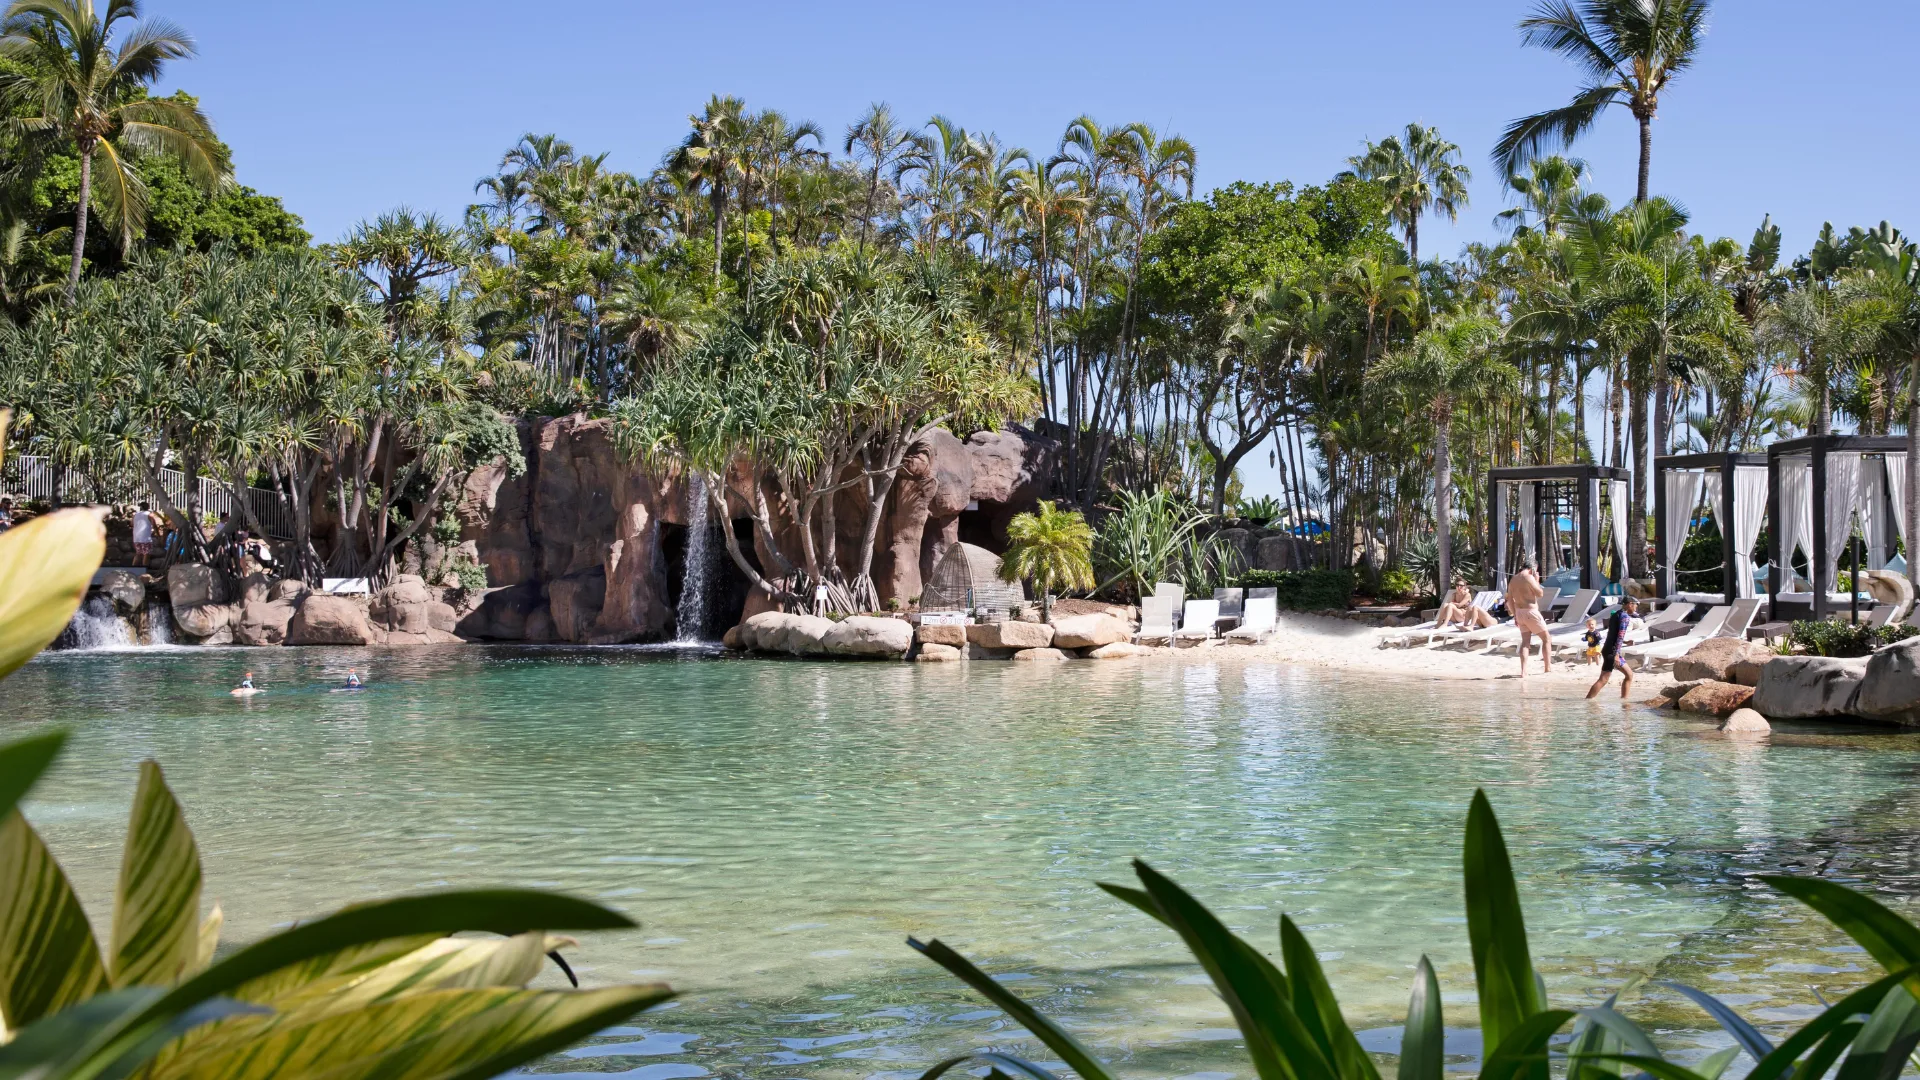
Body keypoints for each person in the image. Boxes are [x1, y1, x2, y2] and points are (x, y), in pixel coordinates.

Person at [1505, 560, 1552, 678]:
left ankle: (1523, 671)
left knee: (1525, 642)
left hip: (1519, 612)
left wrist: (1515, 614)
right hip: (1531, 612)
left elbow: (1509, 600)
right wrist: (1537, 580)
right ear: (1533, 568)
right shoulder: (1529, 577)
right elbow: (1540, 593)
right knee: (1546, 639)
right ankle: (1547, 668)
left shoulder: (1513, 579)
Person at [1587, 597, 1638, 699]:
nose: (1636, 607)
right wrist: (1617, 655)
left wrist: (1625, 642)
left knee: (1628, 675)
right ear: (1629, 604)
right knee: (1604, 679)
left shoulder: (1616, 614)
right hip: (1612, 651)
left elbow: (1613, 634)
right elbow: (1619, 636)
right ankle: (1588, 701)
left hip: (1608, 649)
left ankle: (1624, 701)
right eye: (1636, 604)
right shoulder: (1625, 617)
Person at [130, 501, 156, 568]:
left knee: (138, 553)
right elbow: (154, 525)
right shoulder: (149, 515)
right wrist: (158, 534)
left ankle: (133, 568)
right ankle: (144, 569)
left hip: (136, 538)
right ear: (148, 507)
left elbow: (131, 524)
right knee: (146, 554)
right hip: (145, 538)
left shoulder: (135, 515)